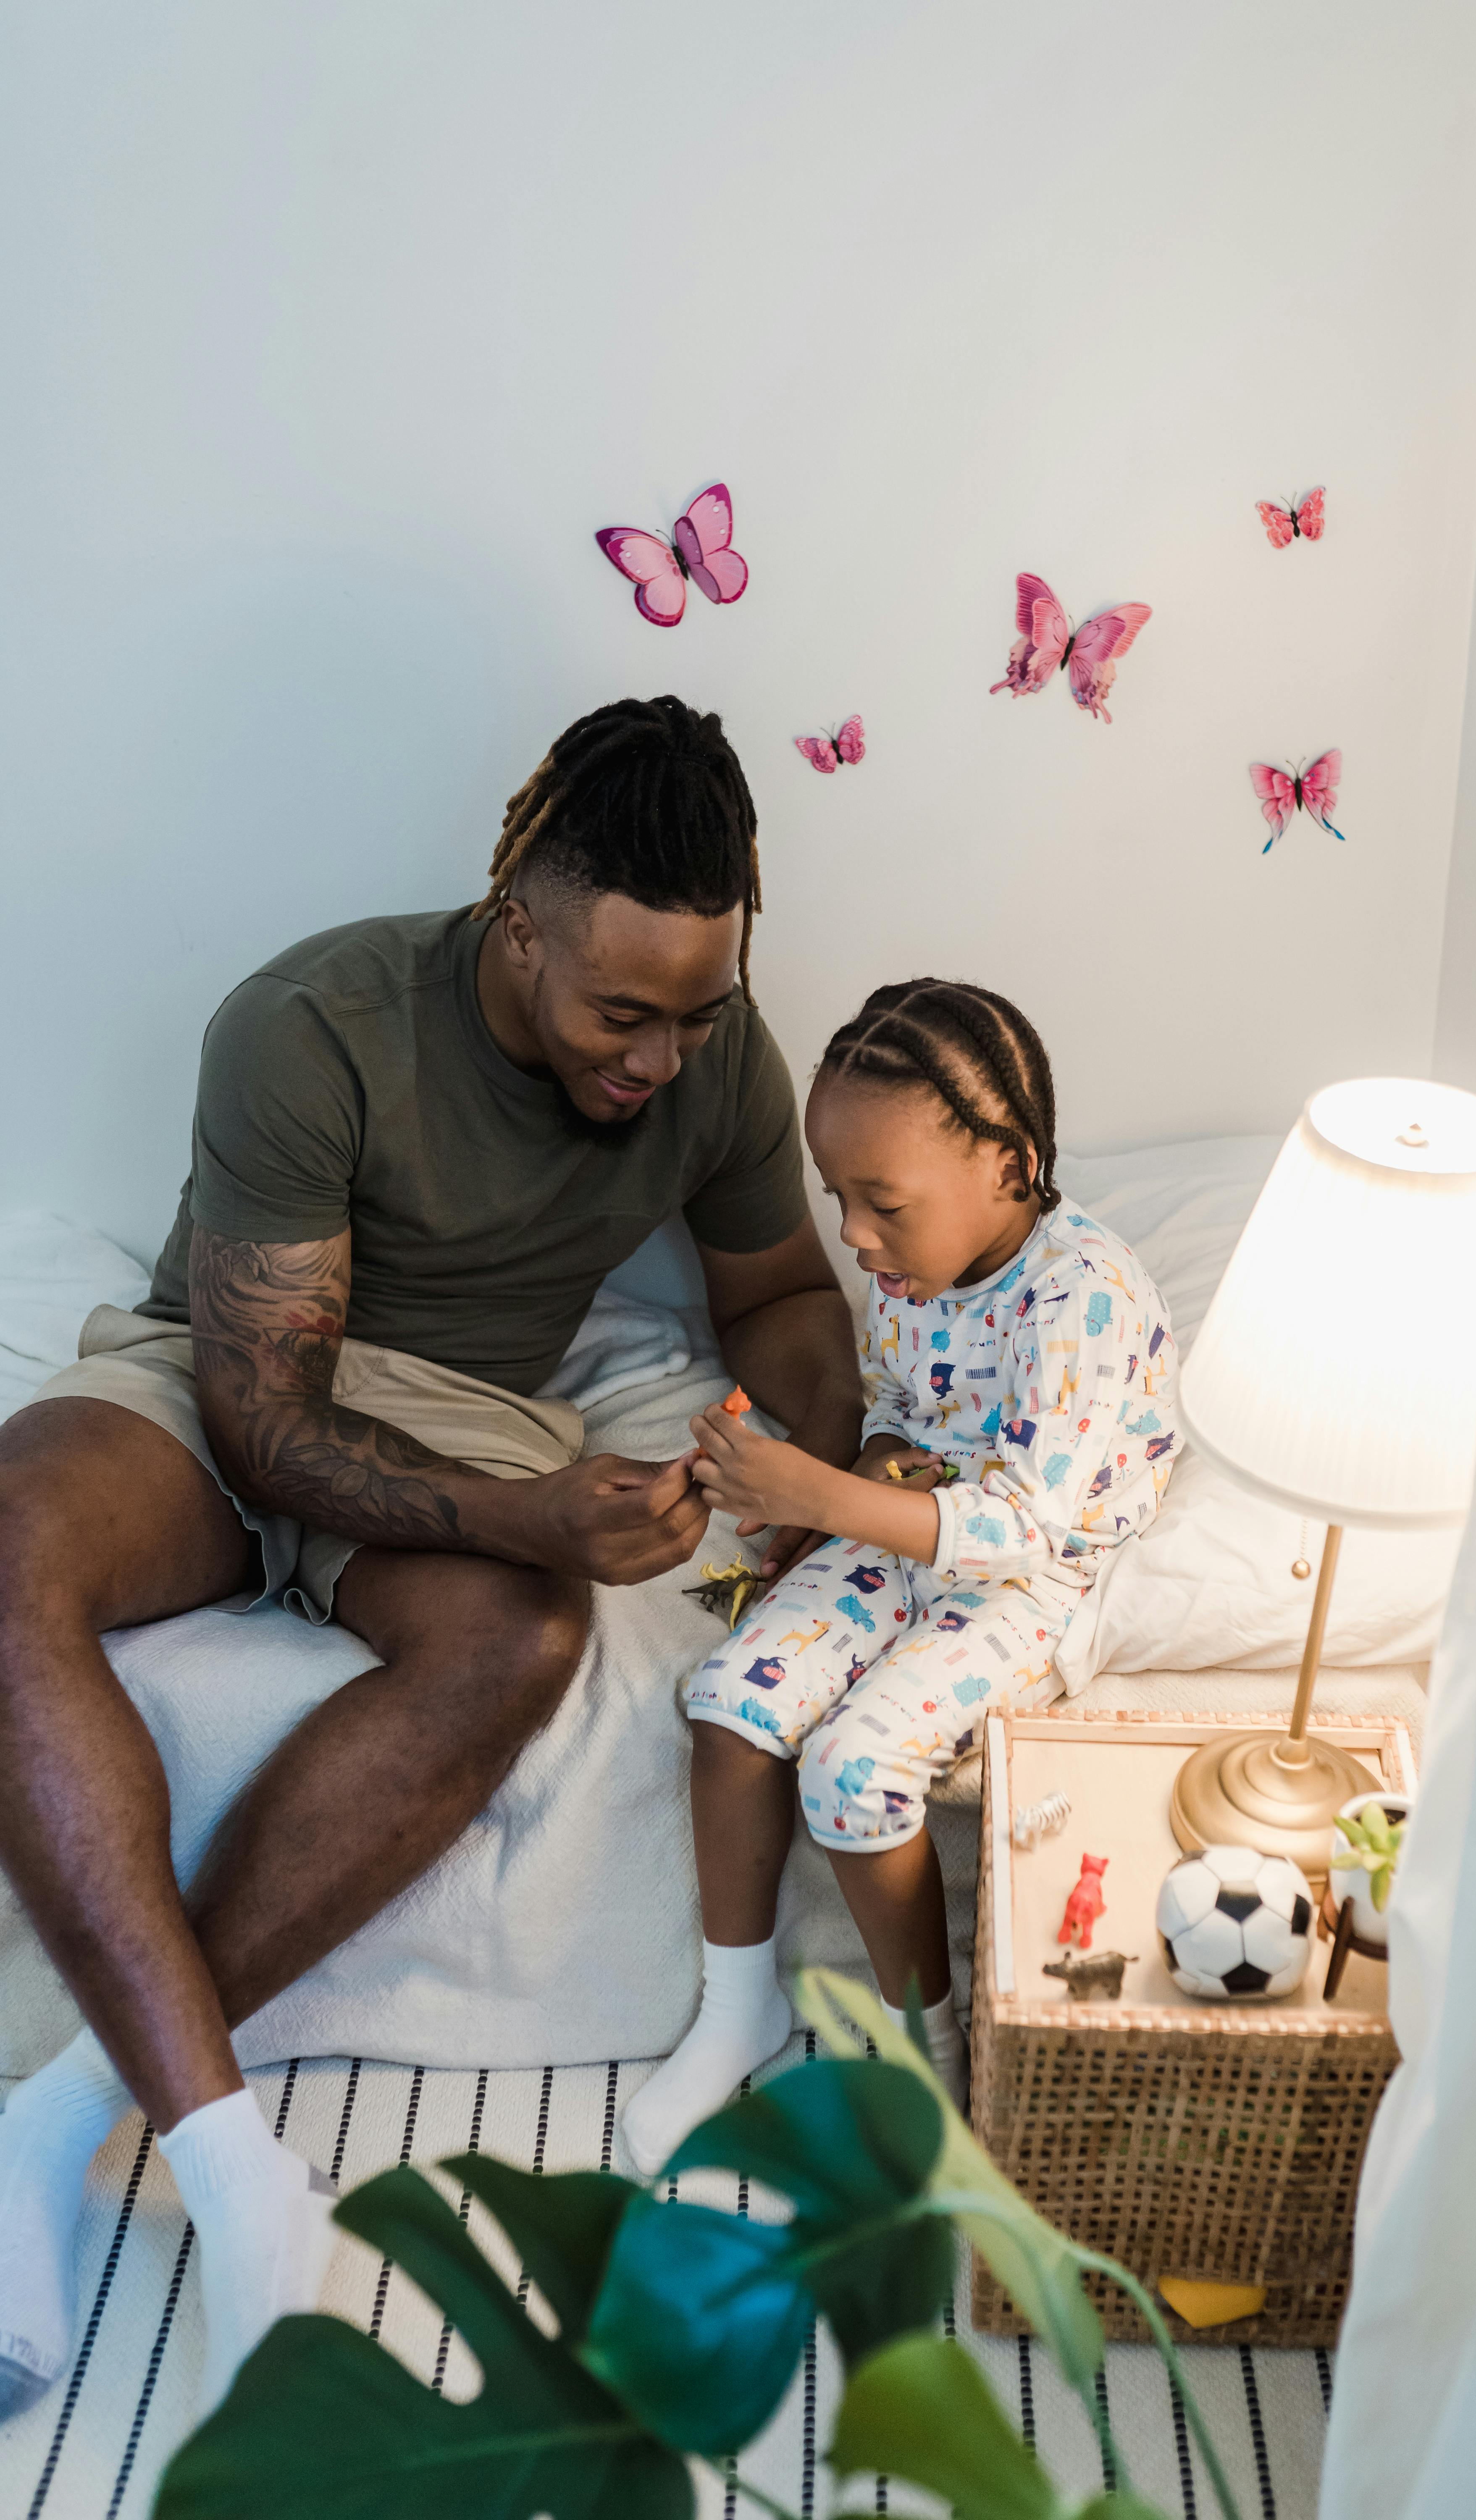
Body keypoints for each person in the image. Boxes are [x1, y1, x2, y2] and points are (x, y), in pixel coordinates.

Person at [0, 696, 863, 2418]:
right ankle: (245, 2177)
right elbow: (262, 1426)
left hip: (470, 1411)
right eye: (623, 1012)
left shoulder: (718, 1057)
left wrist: (788, 1459)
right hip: (238, 1375)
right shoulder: (310, 1021)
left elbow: (779, 1292)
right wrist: (546, 1514)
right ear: (513, 920)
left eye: (697, 1015)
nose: (659, 1061)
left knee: (524, 1645)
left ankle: (65, 2113)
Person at [620, 977, 1178, 2175]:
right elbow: (900, 1407)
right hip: (905, 1513)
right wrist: (827, 1495)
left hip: (1030, 1568)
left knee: (856, 1769)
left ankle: (932, 2059)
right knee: (727, 1709)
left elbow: (1029, 1525)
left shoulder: (1081, 1295)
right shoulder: (906, 1268)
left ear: (1011, 1167)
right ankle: (738, 2011)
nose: (856, 1239)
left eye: (882, 1205)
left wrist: (831, 1496)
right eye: (839, 1201)